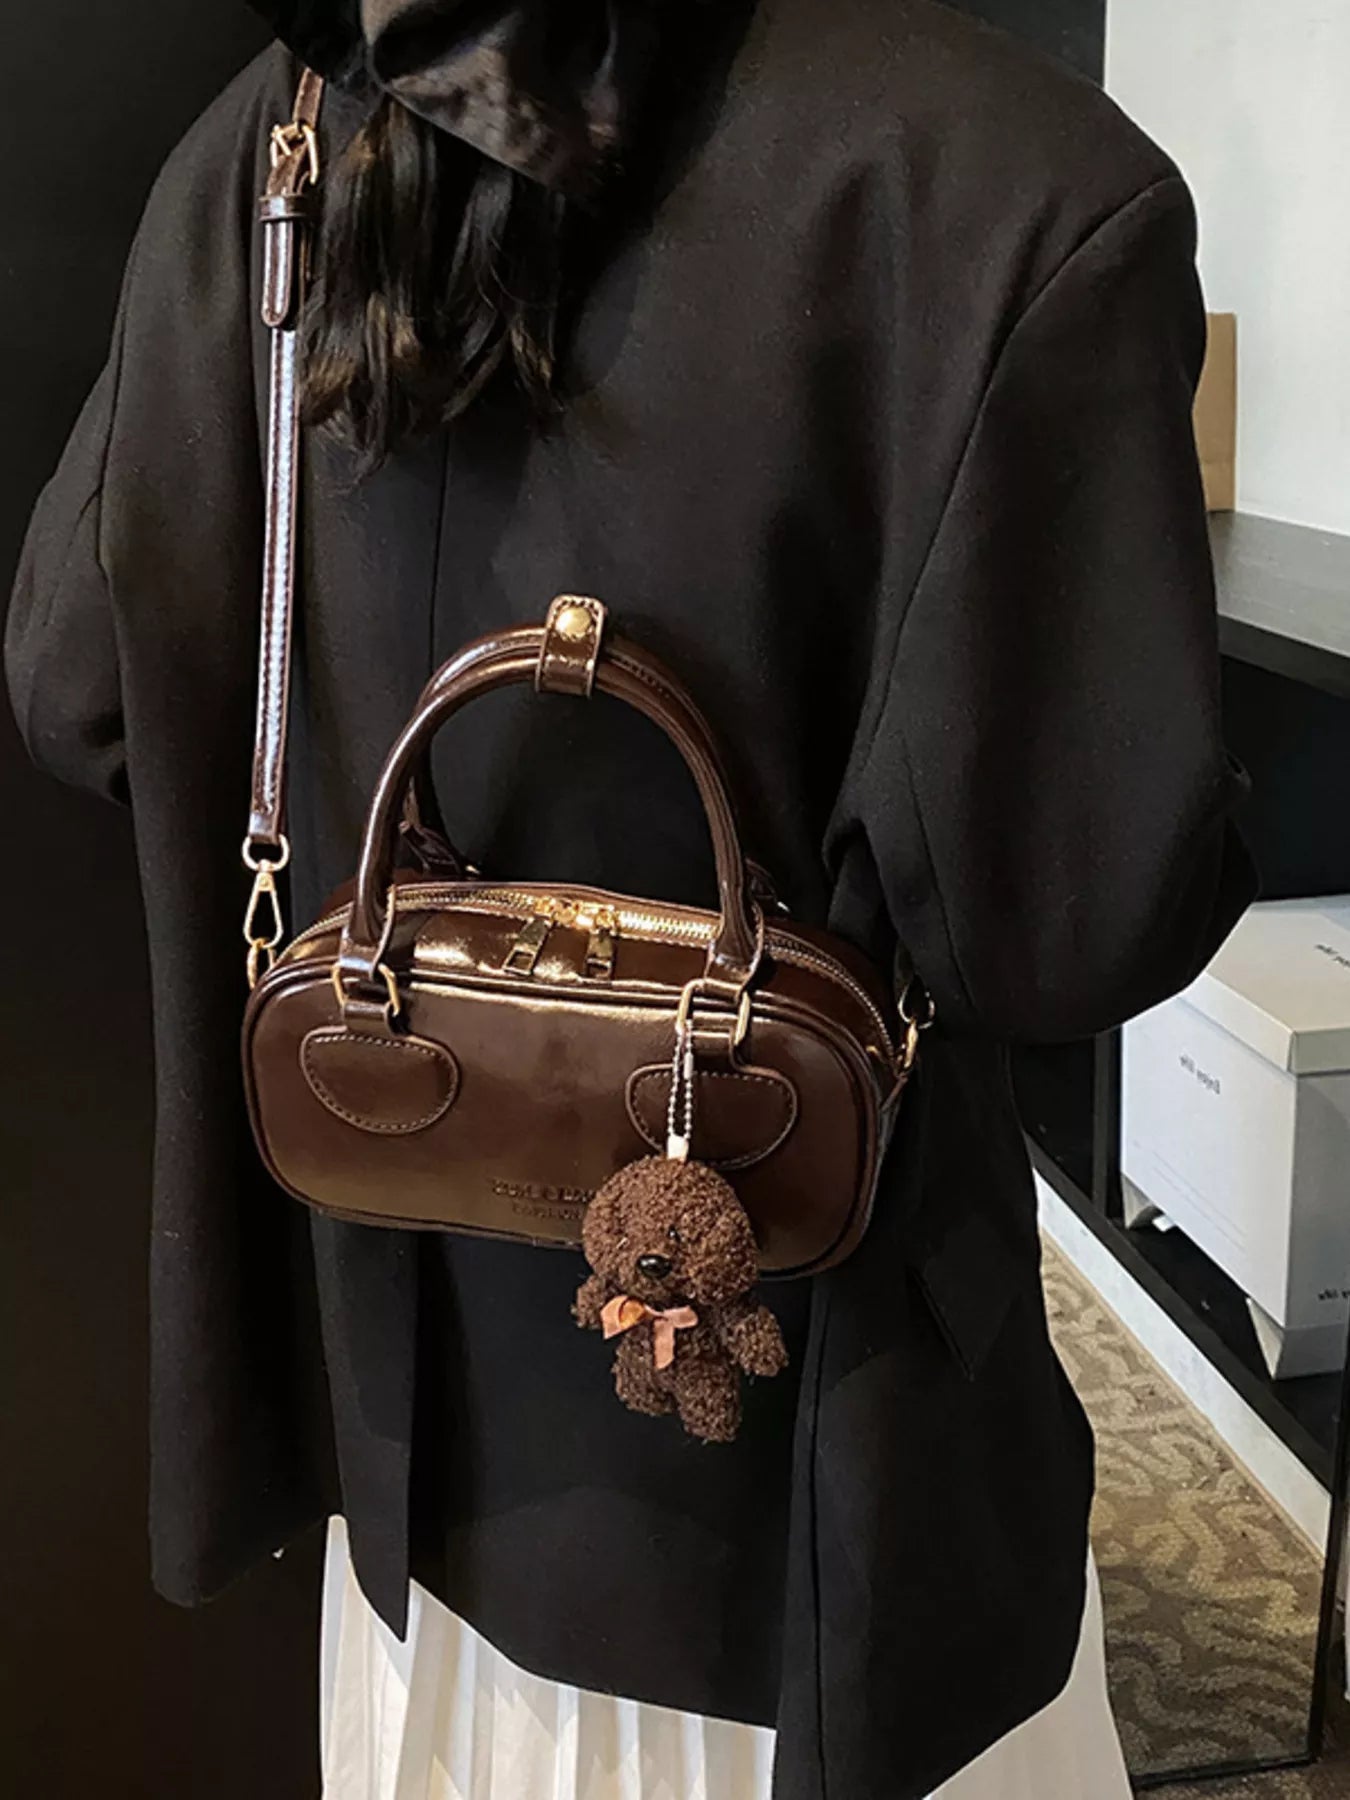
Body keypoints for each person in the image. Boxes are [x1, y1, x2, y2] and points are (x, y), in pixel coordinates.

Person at [5, 2, 1254, 1796]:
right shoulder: (1011, 181)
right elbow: (1066, 922)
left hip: (405, 1485)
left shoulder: (266, 152)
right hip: (814, 1527)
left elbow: (79, 684)